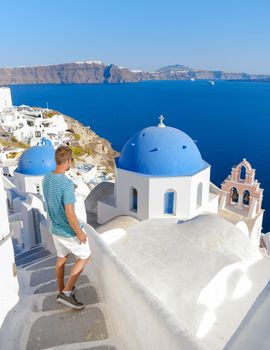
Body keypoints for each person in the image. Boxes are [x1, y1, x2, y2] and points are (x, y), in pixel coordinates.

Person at [42, 145, 90, 309]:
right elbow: (70, 214)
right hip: (67, 231)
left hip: (54, 228)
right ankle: (67, 293)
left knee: (62, 258)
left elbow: (51, 199)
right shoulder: (67, 184)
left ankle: (61, 289)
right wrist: (80, 234)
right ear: (68, 161)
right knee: (84, 256)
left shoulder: (46, 178)